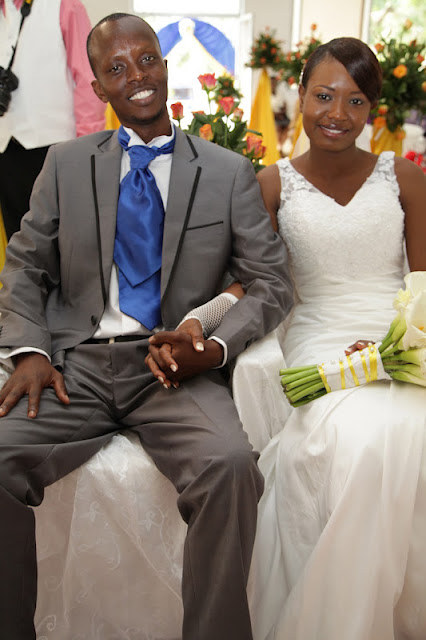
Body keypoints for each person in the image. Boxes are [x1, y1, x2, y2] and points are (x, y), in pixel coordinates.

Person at [0, 12, 292, 640]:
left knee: (231, 466)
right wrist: (29, 351)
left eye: (147, 59)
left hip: (174, 369)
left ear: (164, 63)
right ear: (98, 87)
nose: (136, 76)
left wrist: (213, 347)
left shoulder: (226, 171)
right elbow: (25, 263)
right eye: (116, 68)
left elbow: (271, 280)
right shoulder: (65, 164)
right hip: (76, 367)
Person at [246, 37, 426, 640]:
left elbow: (424, 283)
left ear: (372, 109)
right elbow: (255, 285)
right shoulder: (272, 185)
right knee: (364, 440)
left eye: (355, 101)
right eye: (323, 96)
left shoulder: (403, 176)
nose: (337, 114)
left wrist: (399, 338)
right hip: (318, 333)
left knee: (411, 429)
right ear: (300, 94)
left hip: (400, 330)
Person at [0, 0, 106, 240]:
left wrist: (87, 149)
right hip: (6, 153)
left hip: (58, 151)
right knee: (19, 244)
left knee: (65, 246)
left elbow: (89, 79)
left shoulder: (65, 5)